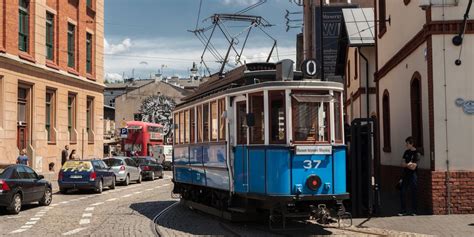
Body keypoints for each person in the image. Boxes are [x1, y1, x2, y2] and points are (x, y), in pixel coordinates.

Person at [399, 136, 420, 216]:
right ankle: (403, 210)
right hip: (405, 175)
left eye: (407, 144)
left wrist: (406, 165)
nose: (406, 145)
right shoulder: (406, 152)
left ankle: (414, 211)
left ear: (412, 144)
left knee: (413, 192)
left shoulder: (416, 153)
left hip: (413, 175)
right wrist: (408, 165)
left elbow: (414, 167)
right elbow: (401, 163)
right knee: (402, 192)